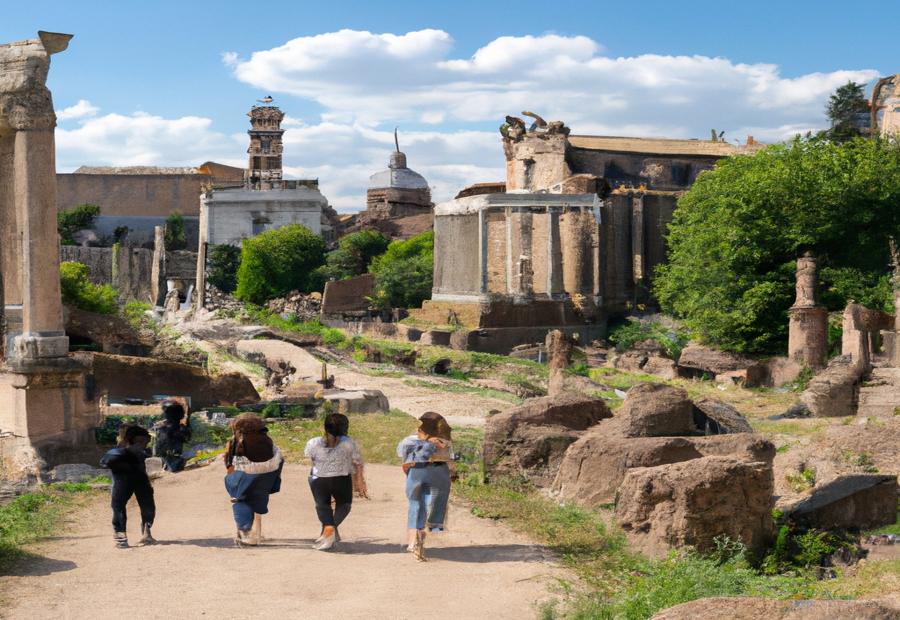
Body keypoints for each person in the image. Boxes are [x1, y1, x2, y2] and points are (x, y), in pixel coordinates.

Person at [396, 412, 453, 561]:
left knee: (415, 503)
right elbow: (451, 458)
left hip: (417, 471)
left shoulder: (411, 440)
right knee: (434, 503)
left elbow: (399, 452)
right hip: (439, 472)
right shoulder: (444, 441)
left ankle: (414, 539)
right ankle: (430, 528)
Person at [304, 413, 365, 551]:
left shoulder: (313, 442)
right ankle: (330, 529)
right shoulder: (349, 443)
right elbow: (357, 463)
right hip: (341, 478)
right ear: (345, 428)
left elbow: (312, 460)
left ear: (325, 427)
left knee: (322, 505)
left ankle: (328, 530)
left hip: (318, 479)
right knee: (344, 505)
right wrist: (360, 481)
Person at [224, 413, 283, 546]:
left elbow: (229, 467)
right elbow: (279, 461)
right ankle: (252, 531)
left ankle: (245, 531)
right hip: (265, 482)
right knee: (254, 494)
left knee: (240, 496)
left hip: (244, 480)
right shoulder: (268, 441)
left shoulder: (234, 442)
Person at [100, 424, 156, 549]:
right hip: (122, 482)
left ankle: (146, 533)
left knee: (148, 507)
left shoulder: (141, 452)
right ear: (130, 441)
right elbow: (104, 462)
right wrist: (126, 452)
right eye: (140, 441)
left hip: (141, 481)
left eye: (146, 441)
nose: (144, 444)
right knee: (118, 508)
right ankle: (121, 538)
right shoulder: (118, 452)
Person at [153, 400, 192, 472]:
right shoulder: (181, 429)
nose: (163, 414)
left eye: (165, 412)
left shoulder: (164, 429)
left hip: (172, 461)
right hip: (169, 460)